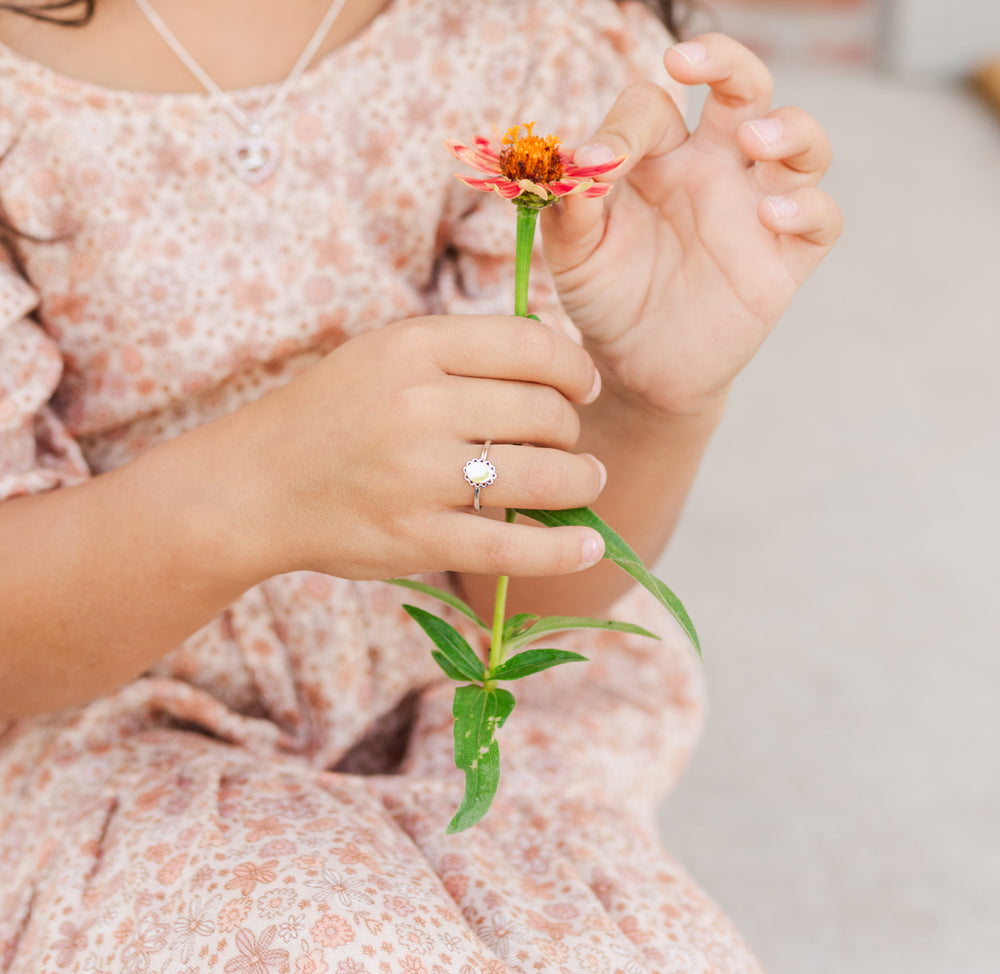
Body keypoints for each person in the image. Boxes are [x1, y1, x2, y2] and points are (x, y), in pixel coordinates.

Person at [0, 0, 841, 970]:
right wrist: (259, 488)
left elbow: (512, 591)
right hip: (89, 732)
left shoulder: (525, 39)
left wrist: (659, 405)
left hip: (446, 705)